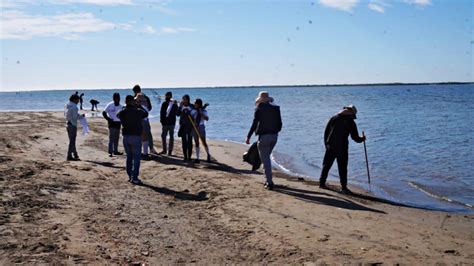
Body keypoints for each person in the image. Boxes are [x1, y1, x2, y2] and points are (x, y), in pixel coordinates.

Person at [319, 105, 366, 194]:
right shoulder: (350, 122)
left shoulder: (334, 118)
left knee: (326, 165)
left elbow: (326, 132)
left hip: (331, 145)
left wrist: (326, 144)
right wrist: (362, 139)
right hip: (342, 147)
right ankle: (344, 187)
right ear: (352, 113)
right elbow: (355, 137)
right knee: (342, 168)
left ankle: (322, 183)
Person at [246, 91, 282, 190]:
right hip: (274, 136)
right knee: (266, 158)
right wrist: (275, 132)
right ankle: (267, 178)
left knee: (265, 159)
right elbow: (280, 124)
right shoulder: (276, 108)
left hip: (264, 137)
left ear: (260, 100)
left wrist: (248, 136)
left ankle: (269, 182)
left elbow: (254, 123)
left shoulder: (259, 109)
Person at [117, 95, 148, 184]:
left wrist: (126, 106)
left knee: (129, 157)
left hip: (126, 137)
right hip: (135, 137)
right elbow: (146, 113)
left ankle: (130, 175)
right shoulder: (138, 111)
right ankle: (134, 177)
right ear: (132, 102)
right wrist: (139, 105)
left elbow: (118, 114)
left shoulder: (123, 112)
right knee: (137, 158)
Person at [132, 85, 156, 154]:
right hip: (144, 118)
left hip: (139, 119)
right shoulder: (145, 97)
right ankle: (150, 149)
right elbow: (150, 108)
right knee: (147, 133)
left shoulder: (134, 98)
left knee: (141, 134)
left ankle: (148, 149)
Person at [102, 93, 123, 157]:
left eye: (118, 98)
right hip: (112, 123)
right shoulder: (110, 105)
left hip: (118, 123)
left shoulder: (121, 106)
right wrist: (108, 119)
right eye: (116, 98)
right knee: (111, 138)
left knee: (116, 138)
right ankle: (110, 152)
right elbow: (104, 112)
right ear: (113, 99)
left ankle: (115, 151)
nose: (118, 99)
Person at [190, 98, 211, 163]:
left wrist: (201, 113)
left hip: (201, 127)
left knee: (203, 141)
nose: (194, 104)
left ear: (198, 104)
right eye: (194, 103)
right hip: (194, 127)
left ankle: (208, 155)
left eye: (195, 103)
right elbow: (190, 117)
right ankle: (197, 158)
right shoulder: (193, 110)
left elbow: (207, 119)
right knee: (196, 142)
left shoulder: (204, 111)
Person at [65, 93, 84, 161]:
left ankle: (75, 154)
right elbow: (75, 117)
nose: (78, 101)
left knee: (71, 141)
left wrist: (80, 116)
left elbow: (67, 114)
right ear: (74, 99)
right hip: (72, 125)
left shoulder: (67, 105)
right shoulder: (74, 107)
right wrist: (81, 117)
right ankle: (69, 155)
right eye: (78, 100)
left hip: (67, 124)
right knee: (72, 141)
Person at [160, 91, 178, 155]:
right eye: (166, 96)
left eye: (167, 96)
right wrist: (161, 121)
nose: (166, 97)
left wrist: (176, 104)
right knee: (163, 136)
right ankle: (164, 150)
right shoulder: (164, 103)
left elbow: (177, 113)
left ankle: (170, 151)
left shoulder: (174, 104)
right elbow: (161, 113)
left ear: (170, 96)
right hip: (165, 123)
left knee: (171, 137)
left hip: (172, 123)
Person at [176, 95, 194, 161]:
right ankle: (185, 156)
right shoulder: (181, 106)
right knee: (184, 142)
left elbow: (196, 112)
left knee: (190, 141)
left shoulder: (191, 106)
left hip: (190, 125)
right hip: (183, 125)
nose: (184, 101)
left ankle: (189, 157)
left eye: (185, 99)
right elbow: (177, 114)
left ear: (188, 100)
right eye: (183, 99)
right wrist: (180, 107)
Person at [135, 93, 152, 159]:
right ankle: (144, 153)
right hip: (143, 122)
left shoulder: (142, 106)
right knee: (144, 138)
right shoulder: (141, 106)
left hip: (143, 122)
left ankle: (144, 153)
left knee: (144, 138)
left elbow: (146, 113)